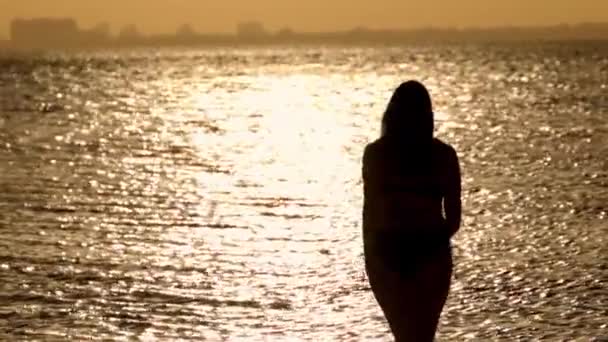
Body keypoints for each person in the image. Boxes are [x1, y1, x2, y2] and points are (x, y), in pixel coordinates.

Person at [362, 81, 462, 341]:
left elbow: (370, 218)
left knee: (406, 336)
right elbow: (453, 221)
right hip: (425, 255)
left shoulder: (376, 154)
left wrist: (375, 263)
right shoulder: (443, 155)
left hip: (393, 255)